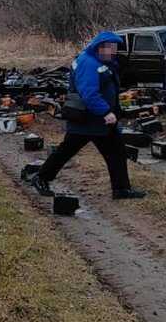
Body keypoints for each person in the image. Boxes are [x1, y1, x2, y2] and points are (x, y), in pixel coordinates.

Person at [25, 31, 145, 200]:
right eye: (111, 49)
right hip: (89, 120)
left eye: (115, 49)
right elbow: (89, 94)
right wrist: (105, 111)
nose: (114, 52)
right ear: (100, 47)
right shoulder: (88, 64)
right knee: (66, 151)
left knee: (116, 153)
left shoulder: (99, 61)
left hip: (99, 122)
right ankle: (41, 178)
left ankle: (121, 189)